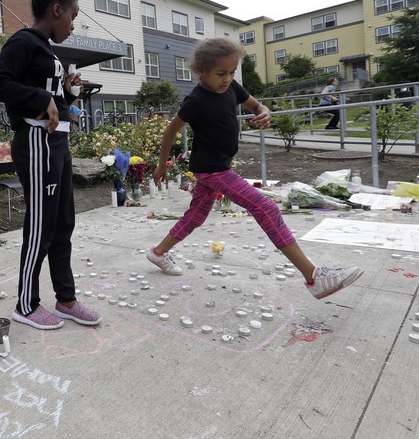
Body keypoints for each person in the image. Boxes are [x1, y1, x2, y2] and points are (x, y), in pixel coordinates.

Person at [146, 38, 363, 300]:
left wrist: (264, 112)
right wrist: (161, 166)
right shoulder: (196, 101)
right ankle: (314, 276)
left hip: (218, 166)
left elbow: (257, 105)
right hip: (212, 170)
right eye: (221, 73)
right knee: (266, 207)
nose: (227, 79)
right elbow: (170, 131)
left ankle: (158, 253)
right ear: (200, 71)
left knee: (196, 216)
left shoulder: (232, 87)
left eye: (232, 72)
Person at [0, 0, 101, 330]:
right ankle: (26, 303)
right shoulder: (23, 42)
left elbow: (47, 100)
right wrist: (40, 96)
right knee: (41, 224)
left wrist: (66, 92)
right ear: (56, 10)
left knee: (63, 222)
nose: (72, 24)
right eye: (73, 16)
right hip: (36, 142)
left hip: (56, 142)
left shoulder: (45, 49)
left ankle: (65, 299)